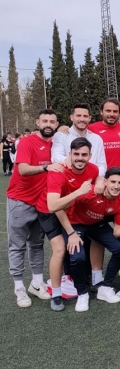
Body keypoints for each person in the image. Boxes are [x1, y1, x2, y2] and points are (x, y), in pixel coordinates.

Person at [57, 167, 120, 312]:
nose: (116, 186)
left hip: (96, 225)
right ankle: (82, 293)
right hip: (75, 224)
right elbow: (59, 207)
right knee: (78, 257)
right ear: (105, 182)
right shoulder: (90, 192)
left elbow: (117, 232)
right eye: (112, 182)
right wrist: (71, 232)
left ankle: (105, 288)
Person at [6, 109, 60, 307]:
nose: (48, 124)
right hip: (20, 200)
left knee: (37, 244)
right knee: (17, 245)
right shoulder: (28, 142)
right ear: (37, 122)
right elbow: (23, 169)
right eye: (45, 120)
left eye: (52, 121)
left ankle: (37, 284)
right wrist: (45, 167)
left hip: (42, 203)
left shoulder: (57, 142)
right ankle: (19, 287)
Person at [41, 137, 102, 311]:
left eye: (84, 154)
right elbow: (54, 206)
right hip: (48, 211)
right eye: (76, 154)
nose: (80, 158)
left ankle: (74, 279)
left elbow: (96, 180)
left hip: (70, 210)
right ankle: (56, 294)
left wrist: (100, 181)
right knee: (60, 249)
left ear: (90, 155)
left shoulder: (93, 169)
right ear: (70, 154)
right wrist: (71, 232)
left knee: (79, 245)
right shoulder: (58, 171)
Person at [52, 103, 107, 177]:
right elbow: (56, 157)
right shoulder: (61, 136)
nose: (82, 119)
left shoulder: (97, 139)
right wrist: (71, 161)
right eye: (78, 116)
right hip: (69, 182)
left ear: (89, 118)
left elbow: (102, 165)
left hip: (91, 182)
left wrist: (94, 177)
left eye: (85, 116)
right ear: (71, 117)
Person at [88, 98, 120, 168]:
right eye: (108, 111)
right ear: (101, 112)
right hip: (99, 175)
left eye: (115, 111)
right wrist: (65, 129)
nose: (112, 114)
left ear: (119, 113)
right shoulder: (91, 129)